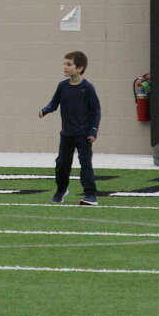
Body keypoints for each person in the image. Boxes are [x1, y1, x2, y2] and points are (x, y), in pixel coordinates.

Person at [38, 50, 101, 206]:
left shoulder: (87, 88)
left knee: (85, 164)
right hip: (67, 135)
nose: (65, 67)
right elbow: (54, 103)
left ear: (79, 68)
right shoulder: (62, 86)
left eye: (69, 64)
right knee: (62, 164)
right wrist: (45, 110)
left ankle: (90, 195)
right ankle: (61, 190)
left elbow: (96, 111)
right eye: (64, 64)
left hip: (84, 135)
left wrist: (93, 131)